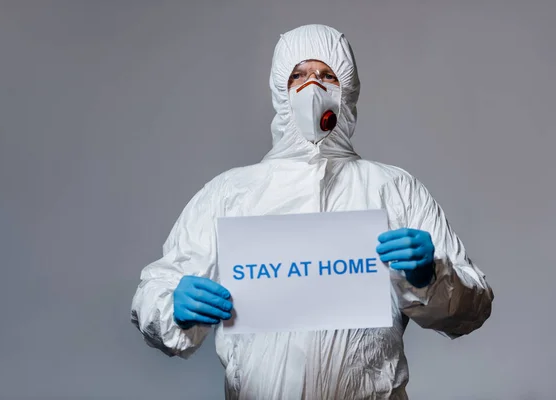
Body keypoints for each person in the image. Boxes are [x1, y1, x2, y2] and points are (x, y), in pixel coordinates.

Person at [131, 24, 494, 399]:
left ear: (347, 88)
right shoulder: (230, 195)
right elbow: (153, 297)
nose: (312, 88)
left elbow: (473, 308)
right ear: (280, 89)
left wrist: (431, 275)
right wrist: (173, 306)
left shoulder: (394, 189)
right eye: (298, 76)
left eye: (326, 75)